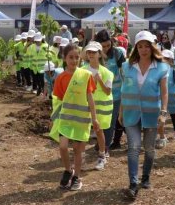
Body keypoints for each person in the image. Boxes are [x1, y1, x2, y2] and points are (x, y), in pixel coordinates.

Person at [119, 31, 169, 199]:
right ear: (136, 48)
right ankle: (133, 184)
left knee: (149, 149)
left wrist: (163, 112)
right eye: (140, 46)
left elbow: (164, 93)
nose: (143, 50)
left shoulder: (161, 67)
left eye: (147, 46)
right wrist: (120, 111)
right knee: (133, 147)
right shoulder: (127, 66)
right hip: (130, 113)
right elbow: (123, 91)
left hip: (151, 114)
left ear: (152, 47)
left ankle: (145, 177)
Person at [50, 43, 99, 191]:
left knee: (78, 150)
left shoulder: (85, 76)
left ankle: (76, 177)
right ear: (64, 58)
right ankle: (67, 170)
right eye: (71, 57)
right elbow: (57, 101)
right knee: (63, 146)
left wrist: (94, 118)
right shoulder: (60, 78)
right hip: (65, 120)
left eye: (77, 57)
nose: (74, 60)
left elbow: (90, 97)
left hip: (81, 120)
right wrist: (52, 119)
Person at [94, 29, 126, 151]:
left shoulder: (117, 53)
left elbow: (123, 73)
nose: (106, 48)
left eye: (108, 45)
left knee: (110, 121)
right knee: (99, 120)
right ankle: (101, 142)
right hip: (99, 93)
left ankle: (105, 147)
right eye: (103, 46)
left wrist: (125, 90)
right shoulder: (95, 54)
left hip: (115, 94)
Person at [84, 41, 113, 170]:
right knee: (83, 132)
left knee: (99, 130)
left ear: (99, 54)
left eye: (94, 52)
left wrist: (99, 80)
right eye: (89, 52)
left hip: (101, 108)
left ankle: (102, 155)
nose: (91, 54)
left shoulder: (106, 72)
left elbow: (108, 91)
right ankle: (81, 158)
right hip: (85, 105)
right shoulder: (82, 70)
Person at [161, 49, 175, 141]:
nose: (163, 60)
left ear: (171, 60)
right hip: (162, 98)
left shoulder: (174, 72)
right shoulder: (159, 71)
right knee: (162, 116)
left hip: (173, 98)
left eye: (166, 58)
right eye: (162, 58)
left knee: (174, 115)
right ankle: (161, 134)